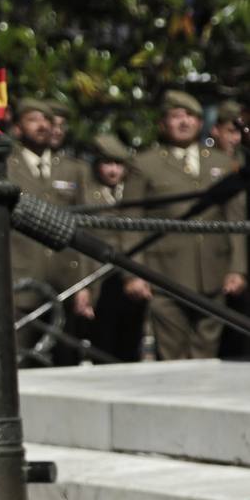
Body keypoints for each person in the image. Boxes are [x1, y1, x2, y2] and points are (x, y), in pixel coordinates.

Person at [124, 90, 246, 360]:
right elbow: (131, 220)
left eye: (190, 116)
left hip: (214, 273)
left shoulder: (223, 163)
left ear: (200, 123)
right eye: (175, 116)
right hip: (165, 275)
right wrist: (133, 273)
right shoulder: (145, 164)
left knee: (208, 355)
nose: (183, 122)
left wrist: (238, 268)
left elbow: (235, 219)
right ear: (162, 124)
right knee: (172, 356)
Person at [6, 98, 93, 362]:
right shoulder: (5, 167)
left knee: (66, 362)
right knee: (18, 361)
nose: (42, 126)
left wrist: (85, 284)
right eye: (33, 119)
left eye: (47, 120)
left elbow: (86, 227)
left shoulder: (74, 168)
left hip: (65, 282)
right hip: (19, 283)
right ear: (18, 128)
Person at [81, 135, 146, 362]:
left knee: (132, 342)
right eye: (107, 164)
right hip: (100, 278)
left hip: (132, 277)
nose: (113, 171)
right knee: (103, 343)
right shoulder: (88, 193)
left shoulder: (133, 191)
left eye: (118, 164)